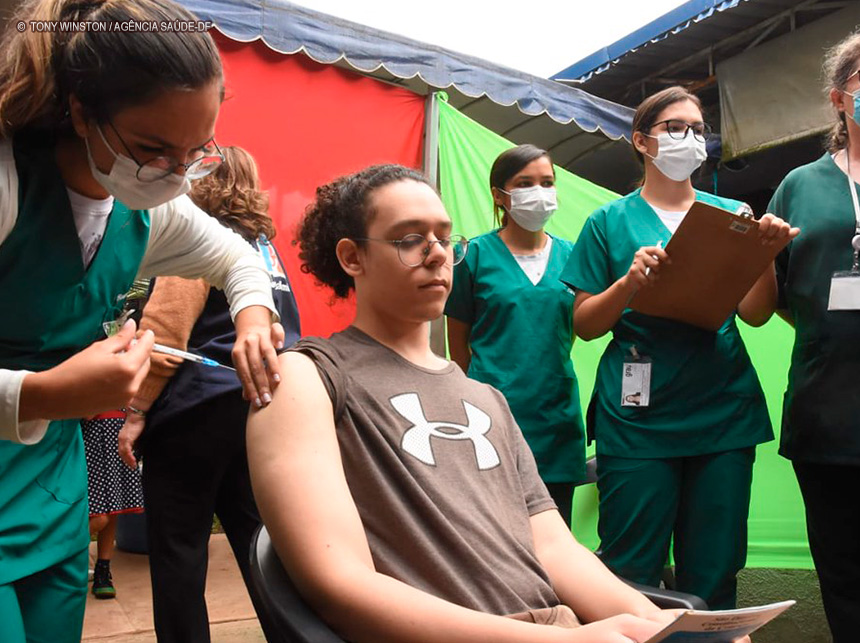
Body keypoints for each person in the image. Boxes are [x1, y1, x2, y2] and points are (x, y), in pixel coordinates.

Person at [247, 164, 752, 642]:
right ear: (351, 257)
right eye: (408, 240)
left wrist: (668, 625)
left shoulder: (485, 399)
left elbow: (554, 548)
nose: (436, 253)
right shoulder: (308, 377)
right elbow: (339, 586)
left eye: (444, 238)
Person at [0, 1, 283, 640]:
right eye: (154, 149)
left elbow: (238, 259)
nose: (176, 175)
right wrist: (43, 394)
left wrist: (253, 317)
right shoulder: (10, 186)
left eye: (194, 153)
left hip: (50, 497)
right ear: (80, 111)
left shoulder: (150, 211)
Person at [559, 86, 797, 610]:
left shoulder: (730, 214)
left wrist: (764, 254)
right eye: (674, 127)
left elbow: (756, 315)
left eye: (697, 128)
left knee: (715, 565)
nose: (690, 138)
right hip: (639, 416)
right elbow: (585, 325)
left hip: (721, 411)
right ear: (642, 141)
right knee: (629, 566)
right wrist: (628, 285)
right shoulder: (608, 223)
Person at [116, 146, 301, 642]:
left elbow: (166, 327)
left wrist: (136, 412)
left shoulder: (198, 239)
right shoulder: (264, 246)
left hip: (194, 409)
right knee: (260, 546)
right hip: (260, 407)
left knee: (179, 551)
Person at [768, 32, 860, 642]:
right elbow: (772, 298)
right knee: (846, 570)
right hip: (829, 412)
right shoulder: (801, 185)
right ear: (838, 99)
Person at [445, 145, 585, 525]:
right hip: (490, 415)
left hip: (554, 415)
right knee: (492, 531)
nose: (538, 192)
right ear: (499, 194)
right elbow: (458, 343)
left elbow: (566, 334)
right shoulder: (472, 256)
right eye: (525, 183)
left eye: (547, 182)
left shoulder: (573, 257)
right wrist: (475, 392)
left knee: (554, 533)